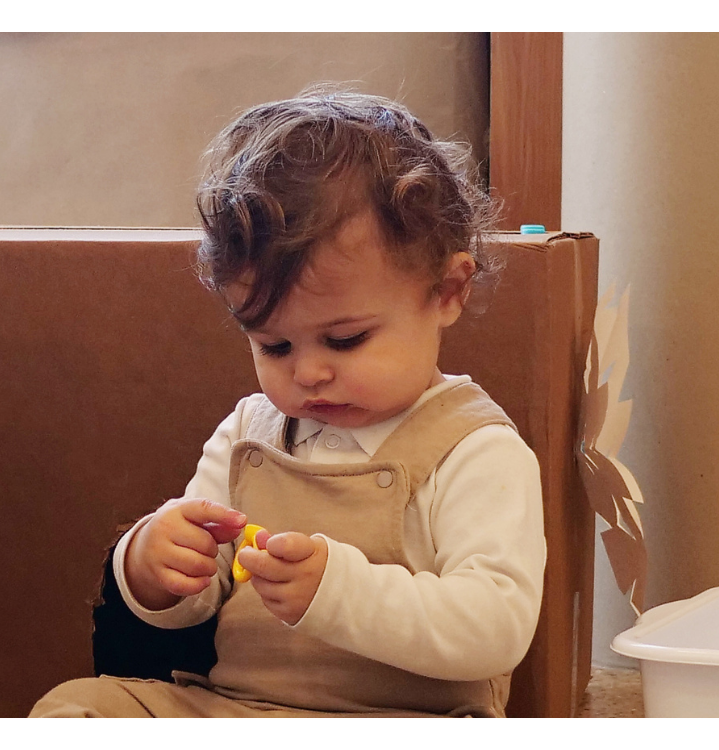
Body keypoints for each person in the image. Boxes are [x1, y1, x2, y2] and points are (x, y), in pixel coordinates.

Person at [32, 89, 545, 718]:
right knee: (80, 705)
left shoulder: (474, 447)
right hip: (239, 706)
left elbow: (497, 628)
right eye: (273, 344)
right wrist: (151, 564)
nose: (309, 372)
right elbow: (195, 597)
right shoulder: (251, 433)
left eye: (346, 338)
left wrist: (338, 591)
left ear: (447, 291)